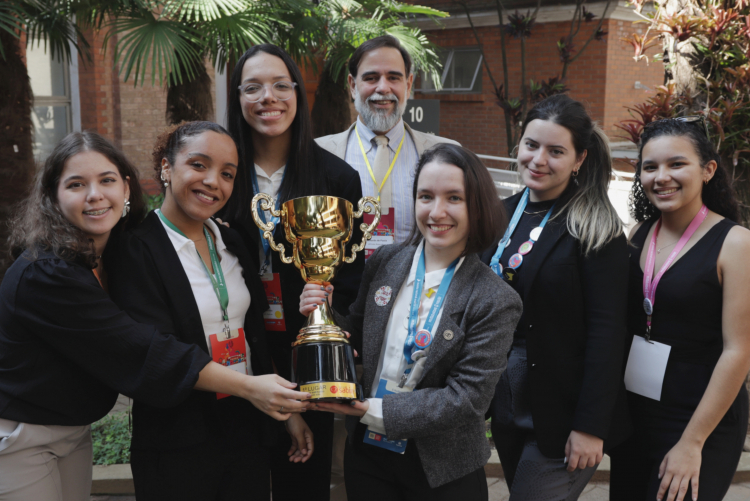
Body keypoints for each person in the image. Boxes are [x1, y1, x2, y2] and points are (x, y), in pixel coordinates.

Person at [0, 131, 305, 501]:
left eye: (107, 180)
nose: (95, 195)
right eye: (77, 184)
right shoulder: (48, 271)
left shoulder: (106, 251)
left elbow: (254, 329)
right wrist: (254, 388)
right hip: (24, 431)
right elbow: (142, 349)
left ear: (126, 189)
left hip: (74, 429)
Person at [299, 143, 522, 501]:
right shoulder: (385, 261)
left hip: (442, 469)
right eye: (425, 196)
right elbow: (356, 334)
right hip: (369, 457)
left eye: (454, 198)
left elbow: (467, 399)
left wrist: (372, 409)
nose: (437, 212)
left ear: (477, 204)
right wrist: (322, 312)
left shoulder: (495, 299)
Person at [107, 121, 314, 501]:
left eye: (227, 174)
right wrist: (253, 389)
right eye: (198, 165)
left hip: (245, 428)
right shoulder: (136, 248)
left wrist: (287, 411)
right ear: (167, 168)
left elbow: (254, 336)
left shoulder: (230, 239)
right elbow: (158, 352)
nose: (213, 182)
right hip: (178, 438)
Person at [221, 44, 364, 501]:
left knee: (302, 481)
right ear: (236, 97)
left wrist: (325, 313)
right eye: (253, 87)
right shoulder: (219, 178)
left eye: (282, 85)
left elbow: (350, 279)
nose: (269, 97)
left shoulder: (336, 179)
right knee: (236, 478)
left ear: (299, 94)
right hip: (234, 355)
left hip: (308, 354)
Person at [481, 94, 631, 500]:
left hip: (563, 417)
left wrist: (590, 426)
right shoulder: (496, 214)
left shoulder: (596, 228)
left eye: (556, 151)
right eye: (531, 145)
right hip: (506, 408)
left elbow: (608, 334)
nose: (538, 159)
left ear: (579, 159)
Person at [608, 117, 750, 501]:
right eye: (650, 167)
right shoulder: (638, 233)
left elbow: (739, 352)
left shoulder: (736, 244)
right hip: (638, 413)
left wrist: (693, 442)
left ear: (707, 170)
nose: (661, 176)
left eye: (676, 164)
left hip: (700, 419)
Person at [316, 35, 459, 252]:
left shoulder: (448, 153)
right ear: (353, 86)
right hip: (343, 285)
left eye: (393, 77)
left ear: (408, 84)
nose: (383, 88)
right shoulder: (318, 154)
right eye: (371, 78)